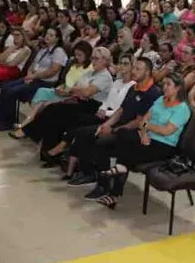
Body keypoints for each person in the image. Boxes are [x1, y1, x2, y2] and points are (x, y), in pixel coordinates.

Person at [92, 72, 192, 209]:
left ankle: (115, 191)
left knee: (123, 151)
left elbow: (167, 131)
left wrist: (146, 127)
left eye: (169, 84)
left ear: (178, 88)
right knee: (122, 133)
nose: (164, 87)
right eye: (164, 84)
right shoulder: (161, 100)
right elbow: (144, 119)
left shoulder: (182, 109)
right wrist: (144, 133)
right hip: (147, 137)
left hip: (164, 145)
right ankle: (118, 172)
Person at [66, 58, 161, 187]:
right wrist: (107, 124)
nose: (134, 71)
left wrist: (114, 130)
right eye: (134, 68)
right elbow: (121, 110)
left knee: (101, 141)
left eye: (138, 69)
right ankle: (88, 173)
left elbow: (139, 121)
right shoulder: (134, 87)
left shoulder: (152, 93)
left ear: (148, 72)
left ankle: (103, 185)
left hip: (132, 132)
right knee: (83, 133)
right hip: (119, 125)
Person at [19, 47, 115, 156]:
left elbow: (87, 92)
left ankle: (30, 132)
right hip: (81, 102)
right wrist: (77, 91)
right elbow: (77, 87)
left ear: (105, 60)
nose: (93, 61)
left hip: (94, 107)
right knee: (53, 110)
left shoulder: (105, 76)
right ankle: (45, 149)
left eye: (96, 59)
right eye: (92, 58)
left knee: (55, 110)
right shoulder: (90, 72)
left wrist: (76, 91)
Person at [0, 28, 69, 132]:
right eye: (47, 34)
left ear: (57, 39)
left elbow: (53, 71)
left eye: (51, 35)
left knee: (12, 91)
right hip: (33, 78)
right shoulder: (43, 49)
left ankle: (6, 122)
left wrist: (34, 76)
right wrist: (29, 74)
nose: (47, 36)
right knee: (6, 86)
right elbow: (33, 65)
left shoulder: (59, 51)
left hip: (45, 82)